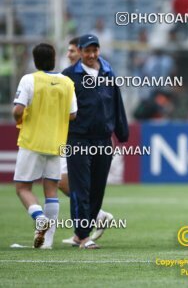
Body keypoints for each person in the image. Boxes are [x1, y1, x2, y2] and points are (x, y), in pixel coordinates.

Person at [62, 34, 129, 249]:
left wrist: (122, 132)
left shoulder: (109, 72)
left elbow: (117, 104)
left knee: (97, 190)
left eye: (95, 50)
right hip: (78, 139)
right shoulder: (68, 76)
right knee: (80, 189)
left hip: (103, 140)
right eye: (87, 50)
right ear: (80, 51)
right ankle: (83, 236)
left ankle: (81, 233)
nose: (91, 55)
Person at [13, 43, 77, 249]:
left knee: (23, 188)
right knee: (51, 191)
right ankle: (46, 242)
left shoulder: (29, 79)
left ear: (35, 60)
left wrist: (22, 120)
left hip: (33, 141)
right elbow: (73, 114)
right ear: (54, 58)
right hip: (57, 143)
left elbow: (17, 110)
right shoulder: (67, 82)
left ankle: (39, 217)